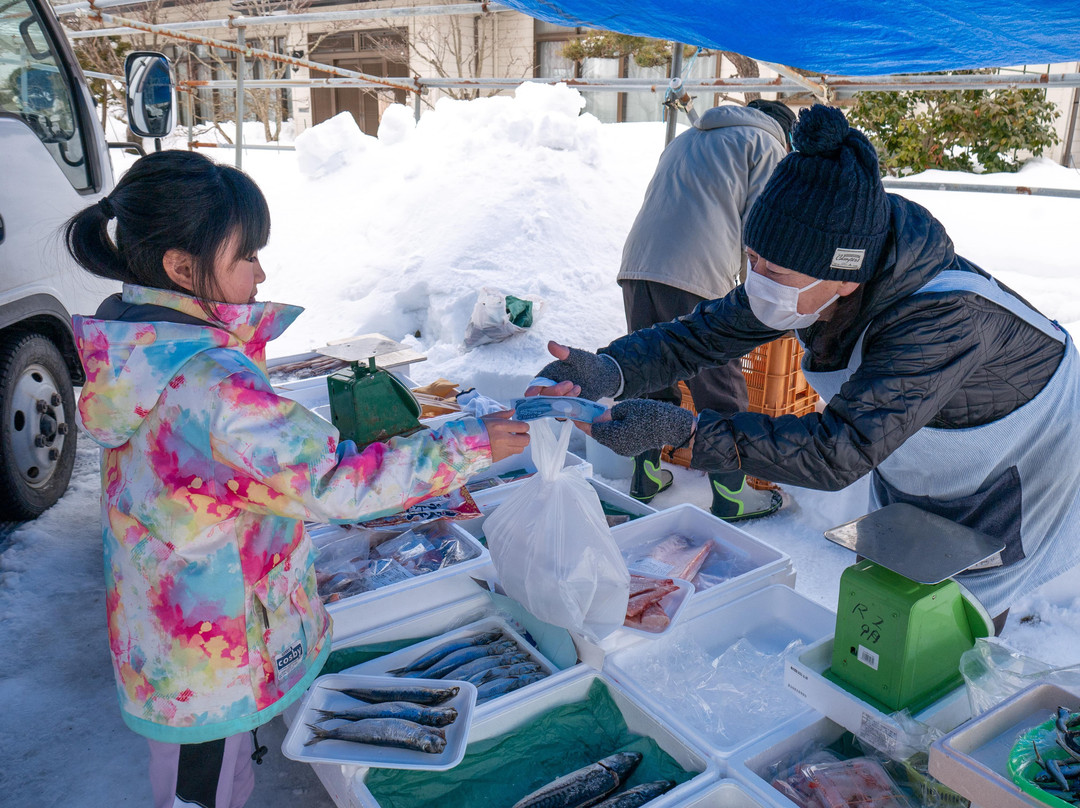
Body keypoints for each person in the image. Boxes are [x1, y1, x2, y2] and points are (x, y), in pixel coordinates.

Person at [64, 150, 529, 808]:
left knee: (201, 778)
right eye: (245, 255)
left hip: (170, 629)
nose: (261, 272)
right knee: (204, 794)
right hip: (211, 656)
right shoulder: (213, 382)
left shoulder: (137, 342)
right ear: (179, 265)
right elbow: (336, 481)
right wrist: (468, 443)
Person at [530, 104, 1080, 633]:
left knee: (974, 582)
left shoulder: (942, 318)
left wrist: (687, 433)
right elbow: (699, 334)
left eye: (774, 270)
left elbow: (838, 450)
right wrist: (609, 368)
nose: (757, 282)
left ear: (845, 278)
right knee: (903, 557)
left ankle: (973, 674)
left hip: (1020, 445)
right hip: (921, 436)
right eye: (752, 262)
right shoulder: (812, 280)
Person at [617, 98, 794, 520]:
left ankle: (645, 474)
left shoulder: (689, 139)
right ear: (783, 133)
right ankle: (732, 496)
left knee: (651, 370)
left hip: (638, 265)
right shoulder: (766, 145)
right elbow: (762, 229)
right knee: (720, 384)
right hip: (694, 270)